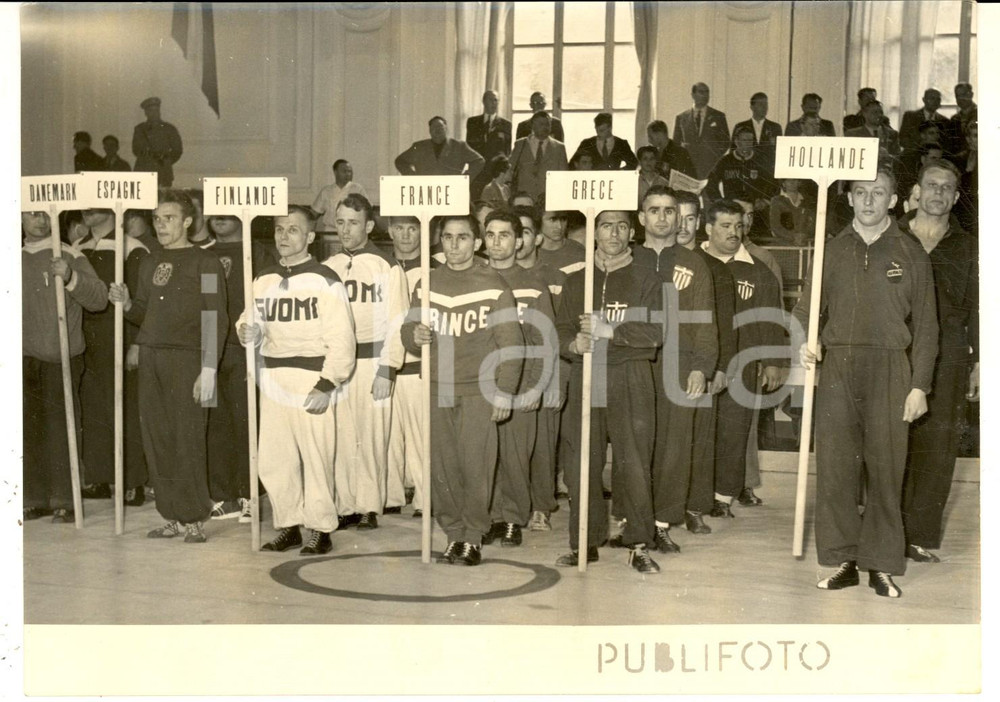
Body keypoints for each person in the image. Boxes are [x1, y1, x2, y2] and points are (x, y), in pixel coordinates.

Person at [793, 168, 938, 598]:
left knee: (886, 467)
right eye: (861, 193)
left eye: (879, 193)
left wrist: (919, 385)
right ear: (850, 199)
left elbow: (928, 327)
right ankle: (844, 560)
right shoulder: (830, 251)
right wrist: (805, 344)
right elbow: (805, 313)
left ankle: (880, 563)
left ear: (894, 200)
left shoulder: (911, 253)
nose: (869, 201)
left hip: (891, 368)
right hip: (838, 366)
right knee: (836, 468)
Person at [400, 214, 524, 566]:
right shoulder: (427, 283)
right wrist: (415, 336)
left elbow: (511, 344)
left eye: (463, 238)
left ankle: (473, 536)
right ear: (440, 240)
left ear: (477, 243)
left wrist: (504, 391)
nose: (454, 245)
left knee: (476, 467)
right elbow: (407, 331)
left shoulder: (495, 284)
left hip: (479, 390)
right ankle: (453, 533)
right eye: (448, 237)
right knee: (444, 468)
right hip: (438, 386)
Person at [108, 189, 228, 544]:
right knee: (157, 437)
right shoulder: (148, 261)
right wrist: (127, 303)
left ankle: (193, 518)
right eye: (157, 219)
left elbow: (213, 316)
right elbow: (143, 311)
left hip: (188, 359)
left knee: (187, 438)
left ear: (188, 221)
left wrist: (208, 369)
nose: (161, 225)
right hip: (152, 357)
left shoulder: (206, 263)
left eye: (169, 218)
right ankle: (172, 515)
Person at [237, 205, 356, 554]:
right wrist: (248, 330)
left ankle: (320, 528)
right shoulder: (264, 278)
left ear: (310, 237)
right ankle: (288, 523)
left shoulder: (324, 279)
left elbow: (342, 337)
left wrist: (328, 382)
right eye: (278, 230)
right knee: (276, 458)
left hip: (310, 376)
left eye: (292, 230)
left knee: (316, 455)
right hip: (273, 377)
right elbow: (248, 320)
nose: (284, 237)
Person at [555, 209, 663, 574]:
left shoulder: (648, 279)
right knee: (581, 463)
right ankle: (584, 540)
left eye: (620, 226)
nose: (613, 233)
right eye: (605, 225)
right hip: (587, 376)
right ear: (594, 232)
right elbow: (557, 330)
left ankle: (639, 543)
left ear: (631, 232)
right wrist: (573, 342)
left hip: (630, 378)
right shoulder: (577, 282)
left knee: (633, 462)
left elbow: (654, 335)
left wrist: (610, 331)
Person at [898, 160, 978, 563]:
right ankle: (882, 530)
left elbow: (980, 307)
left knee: (938, 446)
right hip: (897, 352)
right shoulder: (892, 236)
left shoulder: (968, 246)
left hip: (948, 358)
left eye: (947, 188)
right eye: (932, 185)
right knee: (889, 440)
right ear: (917, 189)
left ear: (956, 196)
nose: (938, 193)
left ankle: (919, 535)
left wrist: (978, 361)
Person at [633, 186, 717, 553]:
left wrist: (701, 367)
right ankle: (632, 519)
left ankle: (663, 522)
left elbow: (706, 321)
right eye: (654, 210)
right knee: (634, 444)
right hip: (633, 362)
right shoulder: (627, 258)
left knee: (674, 447)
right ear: (641, 217)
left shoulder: (693, 262)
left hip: (679, 363)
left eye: (669, 211)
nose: (662, 218)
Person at [323, 194, 408, 528]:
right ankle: (345, 504)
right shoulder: (327, 267)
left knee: (372, 435)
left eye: (353, 223)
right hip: (338, 363)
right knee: (341, 435)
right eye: (340, 222)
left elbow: (398, 321)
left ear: (369, 226)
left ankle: (370, 505)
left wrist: (388, 368)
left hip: (373, 360)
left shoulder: (386, 266)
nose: (345, 229)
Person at [22, 210, 108, 523]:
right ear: (19, 217)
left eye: (45, 215)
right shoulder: (13, 255)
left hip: (61, 355)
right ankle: (33, 497)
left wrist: (70, 276)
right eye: (32, 214)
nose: (40, 220)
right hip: (23, 356)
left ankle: (65, 499)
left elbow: (99, 299)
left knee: (62, 429)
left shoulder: (69, 254)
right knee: (26, 431)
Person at [700, 200, 783, 519]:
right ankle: (696, 492)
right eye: (725, 226)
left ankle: (723, 496)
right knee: (698, 429)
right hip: (701, 360)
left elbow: (772, 317)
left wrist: (773, 360)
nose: (734, 232)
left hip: (742, 362)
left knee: (734, 431)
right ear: (708, 228)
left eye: (738, 226)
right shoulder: (694, 262)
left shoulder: (758, 270)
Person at [479, 209, 557, 548]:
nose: (497, 242)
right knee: (483, 455)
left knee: (514, 455)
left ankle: (512, 518)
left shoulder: (534, 285)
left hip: (522, 381)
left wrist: (538, 385)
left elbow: (546, 341)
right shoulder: (474, 279)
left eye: (505, 235)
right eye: (491, 235)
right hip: (480, 382)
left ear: (519, 240)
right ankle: (489, 516)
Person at [76, 208, 149, 506]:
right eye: (86, 206)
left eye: (96, 206)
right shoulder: (78, 248)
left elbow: (140, 301)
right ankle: (100, 477)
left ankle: (132, 482)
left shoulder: (132, 247)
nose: (88, 212)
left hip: (119, 334)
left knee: (125, 407)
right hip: (85, 337)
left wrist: (137, 344)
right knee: (93, 406)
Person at [675, 191, 737, 534]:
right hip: (664, 365)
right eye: (677, 216)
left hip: (703, 363)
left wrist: (720, 367)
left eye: (689, 218)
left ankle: (695, 507)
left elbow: (724, 325)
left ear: (698, 222)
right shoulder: (655, 260)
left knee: (700, 438)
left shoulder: (714, 270)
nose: (683, 225)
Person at [514, 205, 562, 526]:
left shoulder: (554, 279)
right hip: (505, 373)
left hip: (541, 368)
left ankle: (541, 507)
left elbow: (557, 333)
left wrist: (555, 380)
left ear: (537, 238)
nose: (518, 241)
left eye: (526, 232)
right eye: (513, 233)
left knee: (542, 443)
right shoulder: (494, 274)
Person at [204, 215, 254, 523]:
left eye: (227, 211)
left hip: (244, 349)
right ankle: (224, 495)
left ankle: (249, 494)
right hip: (212, 349)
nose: (219, 217)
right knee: (215, 423)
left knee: (245, 422)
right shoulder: (205, 253)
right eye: (215, 211)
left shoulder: (255, 253)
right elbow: (208, 303)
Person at [386, 215, 428, 518]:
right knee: (388, 435)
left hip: (416, 366)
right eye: (399, 228)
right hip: (385, 366)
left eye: (412, 228)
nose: (405, 235)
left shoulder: (431, 272)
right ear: (389, 231)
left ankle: (425, 498)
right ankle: (391, 494)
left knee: (419, 435)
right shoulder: (381, 270)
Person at [705, 125, 776, 207]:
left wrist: (765, 200)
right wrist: (719, 202)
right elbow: (710, 182)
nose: (747, 143)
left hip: (756, 209)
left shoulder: (761, 160)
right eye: (744, 140)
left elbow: (774, 182)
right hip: (733, 209)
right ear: (736, 141)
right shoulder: (725, 161)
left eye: (750, 140)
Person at [394, 116, 485, 180]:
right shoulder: (419, 147)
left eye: (440, 127)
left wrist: (464, 178)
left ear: (446, 129)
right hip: (426, 191)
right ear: (430, 131)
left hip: (451, 191)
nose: (437, 130)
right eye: (433, 127)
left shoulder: (459, 146)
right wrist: (413, 177)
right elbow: (400, 161)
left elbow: (479, 161)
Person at [673, 82, 731, 179]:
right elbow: (676, 144)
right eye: (701, 92)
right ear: (693, 95)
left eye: (707, 92)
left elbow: (725, 142)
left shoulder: (719, 116)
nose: (705, 95)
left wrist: (713, 156)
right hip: (688, 169)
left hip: (710, 168)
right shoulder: (681, 118)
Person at [509, 112, 569, 202]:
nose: (545, 127)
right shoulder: (521, 144)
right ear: (533, 126)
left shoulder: (559, 147)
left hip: (549, 199)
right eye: (541, 124)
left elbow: (563, 176)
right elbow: (510, 170)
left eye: (548, 124)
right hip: (524, 198)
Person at [132, 97, 183, 187]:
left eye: (156, 110)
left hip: (163, 172)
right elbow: (135, 149)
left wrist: (166, 161)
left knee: (162, 199)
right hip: (144, 171)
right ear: (146, 113)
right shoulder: (140, 129)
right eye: (151, 111)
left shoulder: (169, 129)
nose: (154, 114)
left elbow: (177, 150)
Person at [312, 159, 368, 232]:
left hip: (351, 231)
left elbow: (367, 211)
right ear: (335, 172)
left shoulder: (358, 189)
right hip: (330, 231)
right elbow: (314, 214)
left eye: (349, 171)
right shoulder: (326, 191)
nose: (348, 174)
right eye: (344, 171)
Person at [571, 112, 638, 171]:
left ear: (610, 128)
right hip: (592, 181)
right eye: (596, 129)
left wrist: (620, 172)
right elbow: (572, 164)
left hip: (614, 181)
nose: (598, 133)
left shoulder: (621, 144)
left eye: (602, 130)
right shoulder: (587, 143)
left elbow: (633, 163)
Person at [731, 92, 782, 169]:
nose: (764, 107)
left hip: (768, 171)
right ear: (752, 107)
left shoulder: (775, 127)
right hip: (746, 169)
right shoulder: (741, 126)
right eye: (761, 104)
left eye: (766, 104)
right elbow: (734, 150)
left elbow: (780, 152)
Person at [466, 90, 512, 161]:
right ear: (484, 102)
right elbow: (469, 146)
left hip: (497, 167)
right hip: (477, 166)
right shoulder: (473, 122)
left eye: (496, 100)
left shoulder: (506, 124)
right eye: (490, 100)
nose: (494, 103)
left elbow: (507, 150)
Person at [899, 89, 949, 153]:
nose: (935, 102)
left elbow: (946, 144)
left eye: (938, 99)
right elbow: (902, 139)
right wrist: (920, 149)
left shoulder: (944, 121)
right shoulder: (910, 116)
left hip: (935, 158)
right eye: (932, 98)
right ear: (924, 100)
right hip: (912, 156)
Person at [769, 179, 814, 246]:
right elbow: (775, 226)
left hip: (805, 244)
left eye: (795, 180)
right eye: (788, 180)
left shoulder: (808, 201)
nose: (792, 182)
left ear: (799, 183)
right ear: (783, 183)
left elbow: (813, 223)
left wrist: (805, 235)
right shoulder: (776, 201)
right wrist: (793, 237)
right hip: (784, 245)